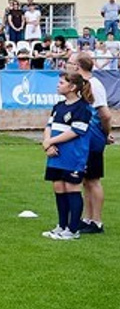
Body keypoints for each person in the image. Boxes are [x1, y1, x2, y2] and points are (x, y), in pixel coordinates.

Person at [40, 72, 94, 240]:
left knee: (72, 188)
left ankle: (73, 229)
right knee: (58, 188)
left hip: (73, 156)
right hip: (56, 155)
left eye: (62, 82)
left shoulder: (83, 108)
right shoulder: (58, 106)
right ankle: (61, 225)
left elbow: (75, 131)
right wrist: (48, 142)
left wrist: (50, 142)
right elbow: (49, 125)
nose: (58, 85)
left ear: (72, 87)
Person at [67, 50, 110, 234]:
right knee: (86, 180)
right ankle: (87, 218)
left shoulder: (94, 85)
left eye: (69, 62)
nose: (67, 65)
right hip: (86, 138)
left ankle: (97, 221)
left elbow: (105, 114)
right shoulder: (84, 84)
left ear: (77, 66)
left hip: (93, 138)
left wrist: (105, 133)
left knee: (93, 180)